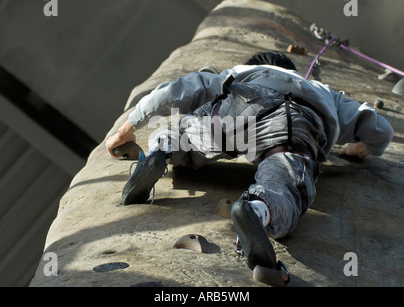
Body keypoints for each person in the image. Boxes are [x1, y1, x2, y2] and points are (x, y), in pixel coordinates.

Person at [106, 51, 393, 280]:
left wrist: (128, 127)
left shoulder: (238, 73)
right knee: (284, 172)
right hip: (293, 119)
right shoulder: (324, 91)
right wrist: (363, 147)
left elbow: (182, 88)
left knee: (187, 133)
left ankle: (161, 152)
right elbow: (381, 129)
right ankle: (258, 209)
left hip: (236, 101)